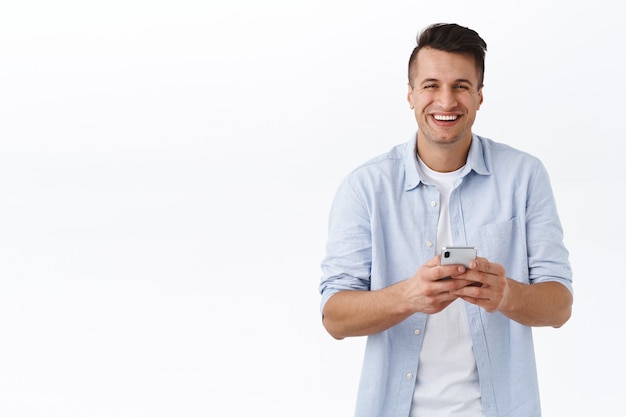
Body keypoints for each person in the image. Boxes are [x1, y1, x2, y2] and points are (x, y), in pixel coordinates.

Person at [319, 23, 573, 417]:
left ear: (479, 95)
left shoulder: (524, 177)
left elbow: (559, 306)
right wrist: (408, 296)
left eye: (460, 86)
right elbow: (334, 317)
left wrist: (505, 294)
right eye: (431, 85)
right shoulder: (366, 187)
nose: (446, 101)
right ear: (410, 94)